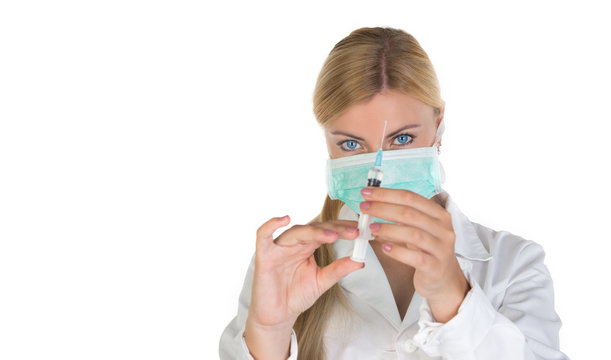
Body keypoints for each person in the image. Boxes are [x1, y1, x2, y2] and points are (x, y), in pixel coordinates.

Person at [219, 27, 569, 360]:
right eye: (351, 144)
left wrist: (455, 300)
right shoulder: (287, 265)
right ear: (327, 141)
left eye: (402, 139)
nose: (378, 170)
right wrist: (268, 332)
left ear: (439, 124)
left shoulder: (513, 265)